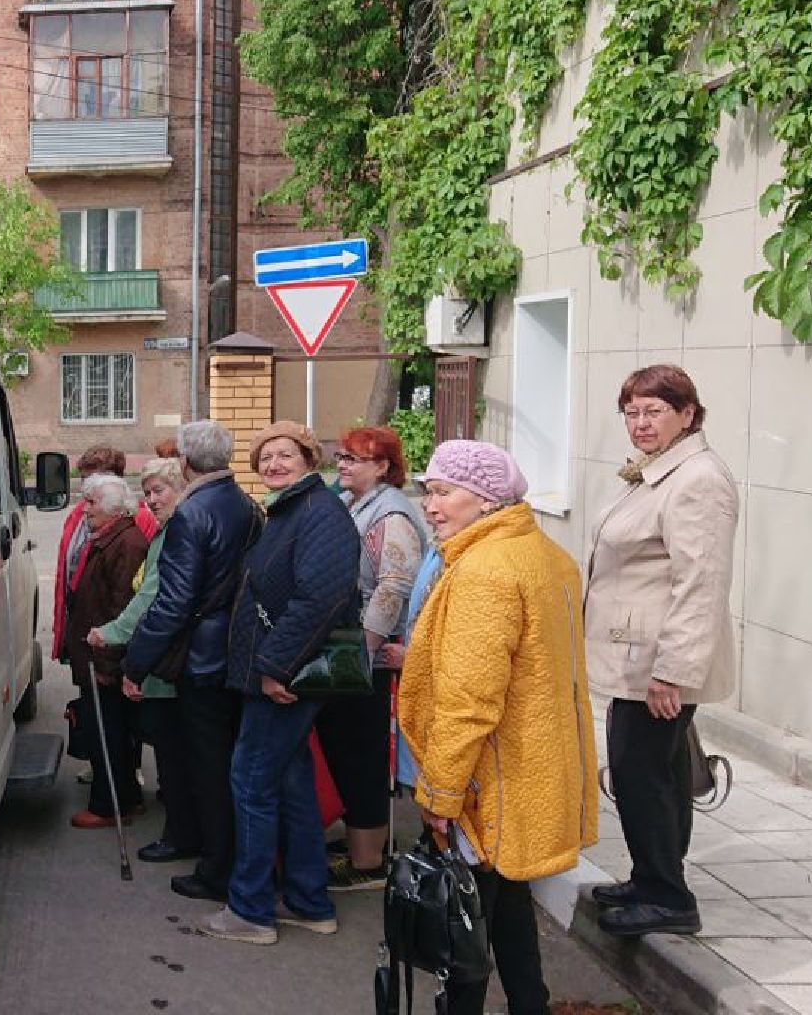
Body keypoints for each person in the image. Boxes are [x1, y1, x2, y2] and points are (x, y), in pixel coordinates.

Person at [400, 439, 598, 1015]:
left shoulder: (485, 570)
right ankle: (530, 1004)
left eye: (444, 492)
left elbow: (469, 697)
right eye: (428, 492)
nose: (430, 505)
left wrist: (441, 790)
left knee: (465, 920)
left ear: (485, 500)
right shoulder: (545, 554)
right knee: (506, 902)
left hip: (492, 776)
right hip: (529, 765)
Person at [585, 365, 739, 937]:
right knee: (660, 771)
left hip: (657, 661)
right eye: (631, 412)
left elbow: (701, 583)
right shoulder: (661, 470)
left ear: (687, 415)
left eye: (654, 411)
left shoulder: (697, 479)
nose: (641, 423)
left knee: (639, 773)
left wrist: (672, 671)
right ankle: (653, 878)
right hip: (639, 655)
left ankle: (667, 897)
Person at [202, 421, 358, 945]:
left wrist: (275, 666)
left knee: (251, 782)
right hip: (276, 673)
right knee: (291, 786)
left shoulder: (318, 513)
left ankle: (250, 910)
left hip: (284, 677)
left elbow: (321, 598)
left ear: (309, 459)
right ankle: (309, 902)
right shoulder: (292, 510)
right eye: (265, 457)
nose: (273, 464)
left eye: (285, 454)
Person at [120, 420, 262, 901]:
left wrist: (136, 662)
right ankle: (219, 856)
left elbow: (174, 602)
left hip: (203, 655)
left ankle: (217, 870)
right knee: (223, 761)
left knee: (209, 765)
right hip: (235, 646)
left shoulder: (192, 513)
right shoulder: (244, 503)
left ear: (183, 462)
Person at [317, 426, 426, 890]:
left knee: (360, 754)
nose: (342, 465)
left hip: (367, 656)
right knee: (344, 748)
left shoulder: (391, 513)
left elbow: (394, 586)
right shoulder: (356, 503)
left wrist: (363, 647)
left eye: (354, 459)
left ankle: (368, 863)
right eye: (341, 456)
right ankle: (361, 842)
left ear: (383, 467)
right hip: (352, 648)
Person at [90, 458, 195, 862]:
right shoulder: (167, 529)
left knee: (174, 754)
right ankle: (183, 830)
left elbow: (152, 597)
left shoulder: (174, 532)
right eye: (147, 492)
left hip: (168, 658)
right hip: (164, 654)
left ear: (181, 489)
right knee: (173, 752)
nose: (151, 499)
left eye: (159, 491)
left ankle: (181, 836)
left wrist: (114, 636)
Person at [61, 473, 153, 828]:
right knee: (113, 732)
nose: (85, 509)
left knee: (108, 735)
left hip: (104, 659)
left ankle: (109, 807)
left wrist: (107, 664)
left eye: (92, 502)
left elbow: (122, 608)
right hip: (97, 655)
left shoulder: (126, 544)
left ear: (114, 508)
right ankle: (127, 798)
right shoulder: (111, 538)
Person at [52, 446, 156, 660]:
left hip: (105, 645)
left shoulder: (136, 521)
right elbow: (67, 576)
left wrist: (110, 656)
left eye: (93, 479)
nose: (87, 486)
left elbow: (126, 598)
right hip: (85, 635)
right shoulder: (77, 515)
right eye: (84, 479)